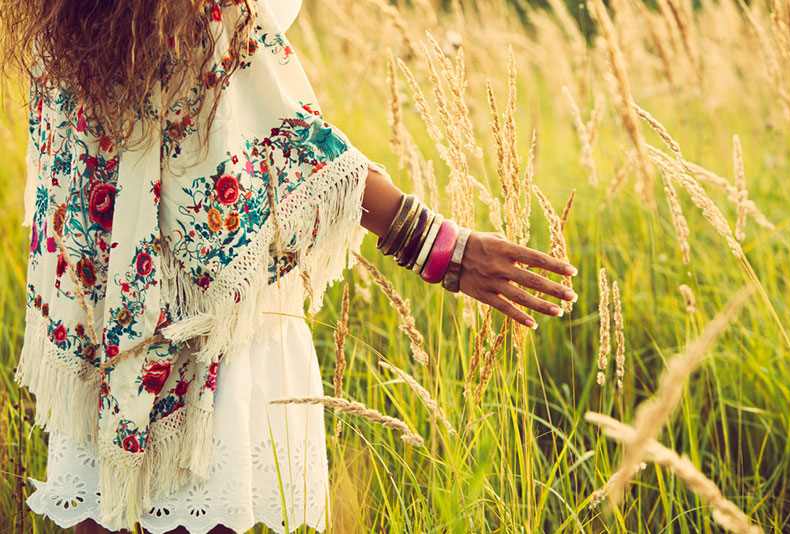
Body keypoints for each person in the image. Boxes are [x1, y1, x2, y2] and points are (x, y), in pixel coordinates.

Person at [3, 0, 578, 533]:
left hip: (99, 328)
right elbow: (286, 141)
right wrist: (441, 247)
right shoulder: (198, 13)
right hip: (213, 338)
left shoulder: (66, 21)